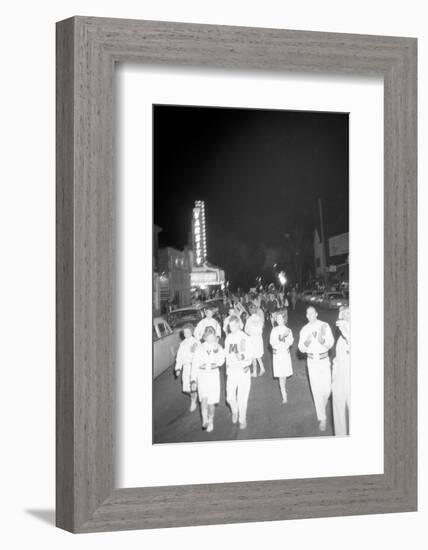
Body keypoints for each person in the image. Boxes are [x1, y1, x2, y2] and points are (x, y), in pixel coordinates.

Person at [298, 306, 334, 431]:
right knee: (316, 390)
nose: (310, 315)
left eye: (312, 313)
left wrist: (321, 340)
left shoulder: (324, 325)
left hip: (324, 361)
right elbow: (301, 349)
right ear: (306, 316)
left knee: (327, 390)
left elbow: (330, 343)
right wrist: (307, 342)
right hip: (312, 362)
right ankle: (322, 418)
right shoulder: (304, 329)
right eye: (308, 313)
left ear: (316, 314)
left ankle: (321, 408)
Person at [191, 327, 225, 432]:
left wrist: (216, 351)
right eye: (208, 337)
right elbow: (195, 364)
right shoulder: (200, 348)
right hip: (202, 376)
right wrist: (193, 379)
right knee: (204, 400)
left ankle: (211, 420)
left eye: (212, 337)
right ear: (205, 337)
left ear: (215, 337)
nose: (210, 339)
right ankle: (205, 419)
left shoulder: (218, 347)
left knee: (211, 403)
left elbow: (221, 361)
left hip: (213, 377)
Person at [224, 316, 254, 430]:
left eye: (233, 325)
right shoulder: (228, 338)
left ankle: (242, 419)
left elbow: (251, 353)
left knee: (242, 398)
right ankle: (235, 411)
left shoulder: (244, 337)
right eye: (229, 326)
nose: (231, 328)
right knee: (230, 397)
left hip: (243, 370)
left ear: (238, 324)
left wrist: (243, 356)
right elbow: (226, 354)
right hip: (232, 371)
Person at [331, 306, 350, 436]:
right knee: (338, 414)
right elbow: (337, 359)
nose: (342, 317)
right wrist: (333, 379)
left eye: (346, 315)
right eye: (341, 315)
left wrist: (348, 335)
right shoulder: (340, 339)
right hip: (339, 380)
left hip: (350, 380)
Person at [270, 310, 294, 403]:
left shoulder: (288, 330)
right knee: (280, 376)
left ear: (284, 319)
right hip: (277, 355)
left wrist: (285, 338)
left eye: (281, 318)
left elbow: (291, 342)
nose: (279, 320)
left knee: (284, 375)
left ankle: (283, 389)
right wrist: (279, 338)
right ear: (276, 320)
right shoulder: (274, 330)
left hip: (284, 354)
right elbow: (272, 343)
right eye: (278, 318)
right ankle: (284, 395)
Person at [174, 324, 199, 412]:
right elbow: (179, 357)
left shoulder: (196, 341)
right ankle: (194, 394)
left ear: (191, 332)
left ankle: (193, 400)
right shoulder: (182, 344)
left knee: (193, 385)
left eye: (188, 332)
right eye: (184, 332)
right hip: (186, 367)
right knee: (186, 388)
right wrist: (178, 368)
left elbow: (199, 353)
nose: (186, 334)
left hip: (194, 366)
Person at [245, 304, 265, 377]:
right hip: (259, 338)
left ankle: (255, 372)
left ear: (250, 311)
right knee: (257, 354)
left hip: (252, 339)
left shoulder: (249, 319)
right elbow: (261, 328)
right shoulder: (259, 318)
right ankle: (261, 368)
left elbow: (246, 330)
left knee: (253, 355)